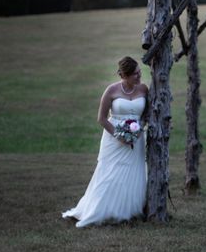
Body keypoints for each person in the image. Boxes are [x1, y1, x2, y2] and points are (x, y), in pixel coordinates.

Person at [62, 56, 148, 227]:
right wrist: (119, 135)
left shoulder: (144, 89)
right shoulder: (111, 90)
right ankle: (100, 210)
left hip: (137, 138)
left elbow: (146, 115)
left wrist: (139, 130)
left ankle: (128, 211)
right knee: (109, 174)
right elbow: (101, 119)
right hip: (113, 139)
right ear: (124, 75)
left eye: (139, 72)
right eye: (135, 75)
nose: (139, 77)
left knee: (134, 172)